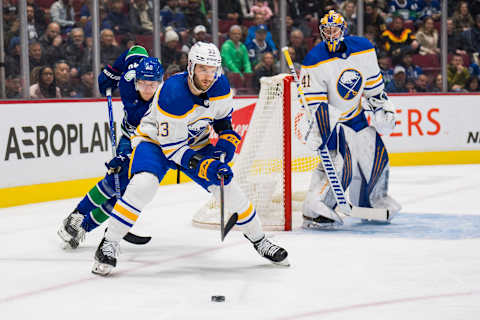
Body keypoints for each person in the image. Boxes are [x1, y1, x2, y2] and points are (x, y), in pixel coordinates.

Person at [91, 42, 289, 275]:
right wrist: (207, 165)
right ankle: (109, 243)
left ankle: (260, 240)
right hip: (155, 142)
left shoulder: (221, 86)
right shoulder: (172, 94)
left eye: (212, 69)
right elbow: (173, 150)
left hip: (196, 143)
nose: (208, 76)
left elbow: (223, 122)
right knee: (143, 185)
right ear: (191, 67)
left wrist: (223, 147)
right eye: (203, 69)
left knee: (231, 191)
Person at [298, 10, 401, 229]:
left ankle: (373, 203)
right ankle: (315, 208)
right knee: (339, 164)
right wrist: (318, 130)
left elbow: (373, 88)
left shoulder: (363, 48)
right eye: (326, 29)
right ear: (321, 31)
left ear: (344, 29)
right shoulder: (314, 60)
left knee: (376, 155)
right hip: (332, 123)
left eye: (335, 29)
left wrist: (382, 108)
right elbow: (313, 106)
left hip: (356, 117)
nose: (331, 33)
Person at [57, 46, 163, 249]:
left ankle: (83, 229)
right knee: (116, 177)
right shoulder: (127, 84)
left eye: (153, 84)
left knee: (126, 191)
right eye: (143, 83)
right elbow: (135, 51)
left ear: (160, 83)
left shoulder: (165, 100)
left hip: (148, 143)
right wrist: (112, 72)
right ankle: (76, 216)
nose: (148, 89)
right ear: (135, 80)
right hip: (129, 135)